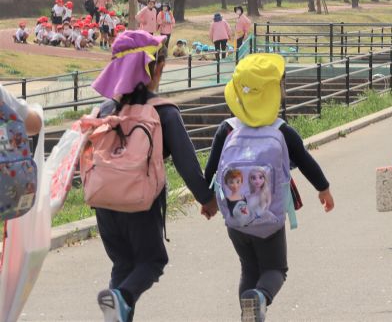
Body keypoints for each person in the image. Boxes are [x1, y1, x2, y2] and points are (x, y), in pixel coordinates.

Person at [87, 30, 214, 322]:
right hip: (140, 205)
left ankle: (118, 306)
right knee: (152, 261)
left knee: (123, 264)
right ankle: (121, 297)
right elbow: (186, 162)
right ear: (153, 69)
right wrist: (206, 199)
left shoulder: (105, 110)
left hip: (104, 202)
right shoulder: (163, 112)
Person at [202, 53, 334, 322]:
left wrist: (207, 201)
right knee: (275, 269)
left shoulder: (226, 129)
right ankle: (260, 298)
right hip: (269, 219)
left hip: (236, 220)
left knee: (248, 268)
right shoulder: (282, 131)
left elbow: (211, 171)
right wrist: (324, 189)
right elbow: (307, 162)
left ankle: (249, 313)